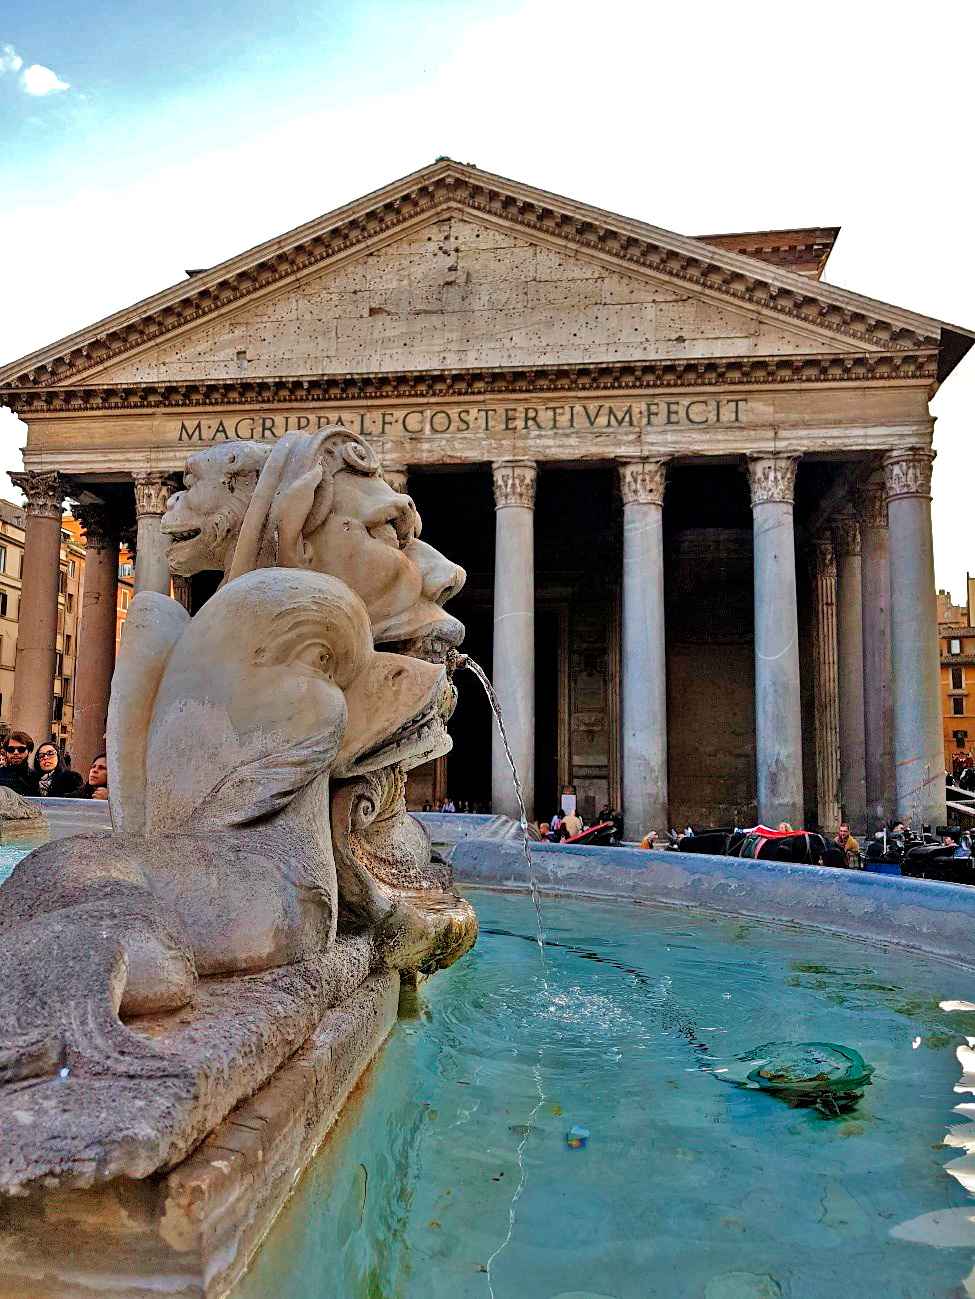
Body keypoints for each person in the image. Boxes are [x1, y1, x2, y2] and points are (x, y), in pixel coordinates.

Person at [0, 731, 38, 796]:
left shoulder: (36, 777)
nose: (16, 753)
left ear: (29, 752)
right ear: (6, 752)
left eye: (21, 749)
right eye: (11, 749)